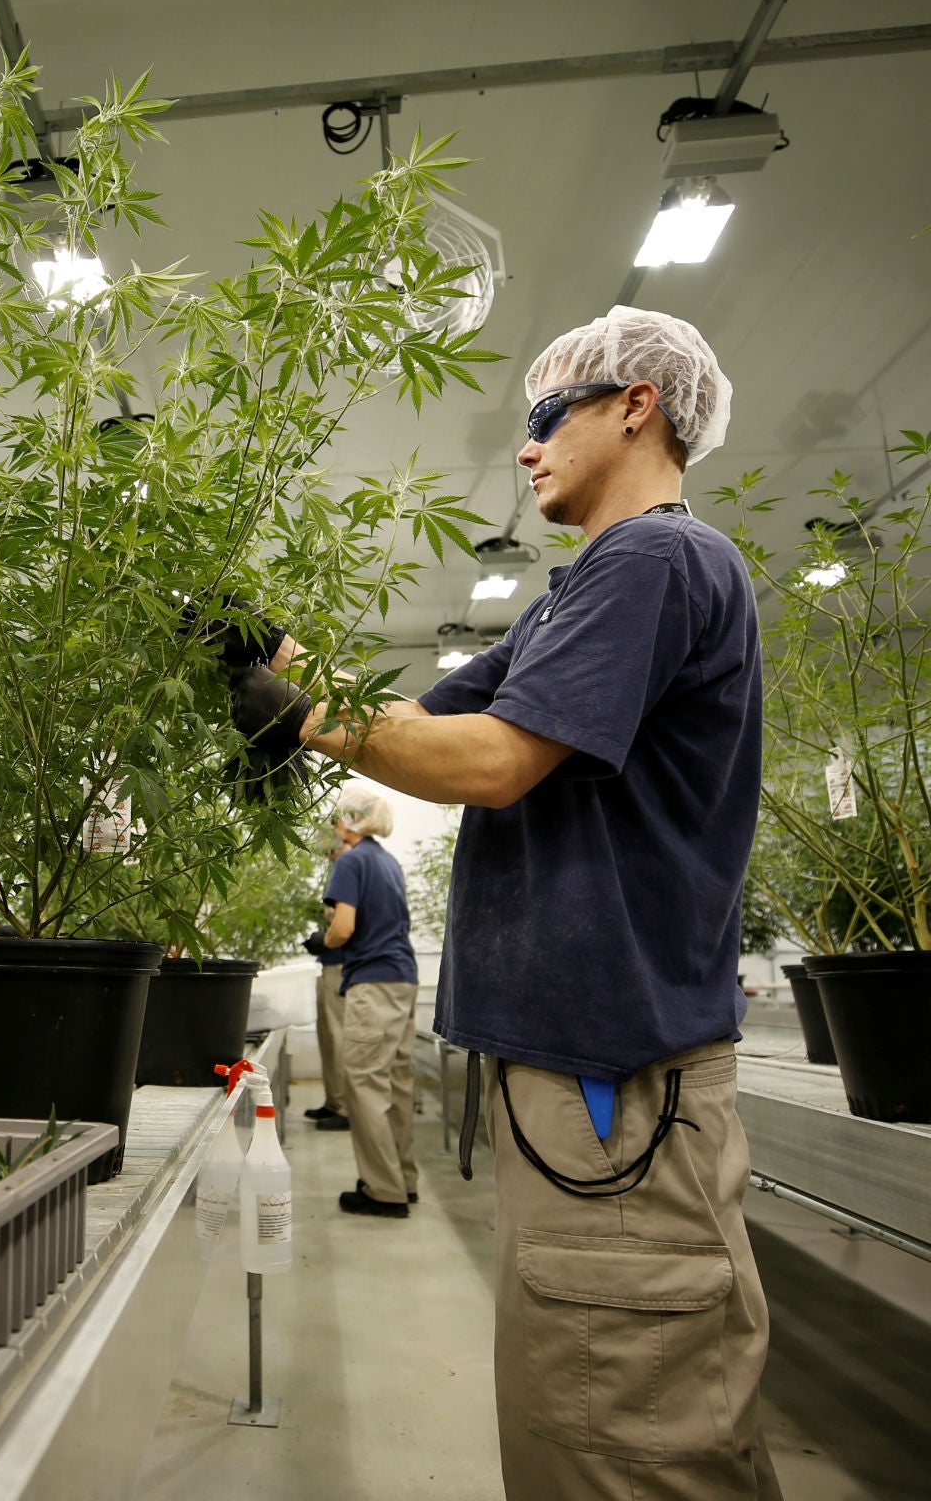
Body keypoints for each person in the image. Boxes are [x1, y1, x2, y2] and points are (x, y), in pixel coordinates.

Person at [229, 306, 777, 1499]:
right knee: (584, 1413)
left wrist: (289, 712)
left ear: (636, 404)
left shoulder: (657, 559)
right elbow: (420, 724)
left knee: (623, 1434)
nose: (523, 449)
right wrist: (271, 651)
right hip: (589, 1075)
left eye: (543, 418)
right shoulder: (570, 601)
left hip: (615, 1085)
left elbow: (487, 764)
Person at [320, 785, 419, 1216]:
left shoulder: (352, 860)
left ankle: (383, 1190)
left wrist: (326, 938)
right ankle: (404, 1179)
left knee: (365, 1084)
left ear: (347, 821)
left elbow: (343, 928)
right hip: (403, 978)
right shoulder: (387, 861)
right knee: (397, 1083)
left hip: (372, 982)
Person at [301, 824, 355, 1131]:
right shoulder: (339, 867)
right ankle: (334, 1101)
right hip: (331, 964)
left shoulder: (350, 865)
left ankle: (345, 1107)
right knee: (328, 1035)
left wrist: (325, 933)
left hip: (343, 966)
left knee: (338, 1037)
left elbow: (346, 922)